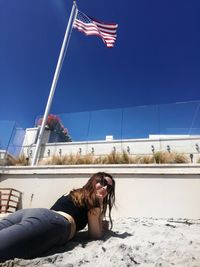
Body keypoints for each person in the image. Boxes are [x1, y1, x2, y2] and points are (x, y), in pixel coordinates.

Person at [0, 172, 115, 262]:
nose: (105, 189)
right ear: (93, 181)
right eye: (103, 182)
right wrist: (99, 207)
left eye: (109, 188)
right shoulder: (94, 200)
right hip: (53, 223)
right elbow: (95, 235)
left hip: (32, 213)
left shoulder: (74, 193)